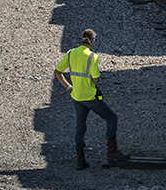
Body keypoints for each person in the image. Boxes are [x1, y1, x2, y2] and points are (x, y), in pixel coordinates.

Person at [53, 28, 130, 169]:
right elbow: (96, 79)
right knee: (112, 118)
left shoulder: (70, 53)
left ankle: (80, 161)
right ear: (93, 41)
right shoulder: (92, 56)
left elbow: (58, 72)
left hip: (76, 96)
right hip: (90, 97)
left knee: (80, 126)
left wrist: (68, 87)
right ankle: (112, 151)